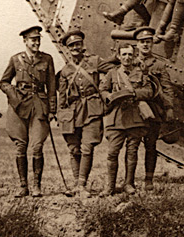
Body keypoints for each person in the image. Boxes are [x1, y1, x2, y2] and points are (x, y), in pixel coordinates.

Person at [0, 26, 57, 198]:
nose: (36, 42)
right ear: (25, 41)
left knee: (37, 145)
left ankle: (36, 185)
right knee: (20, 146)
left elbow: (52, 86)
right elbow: (3, 82)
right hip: (19, 106)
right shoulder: (16, 59)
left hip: (39, 104)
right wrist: (13, 95)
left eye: (38, 39)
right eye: (33, 40)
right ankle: (23, 185)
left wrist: (52, 108)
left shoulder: (47, 59)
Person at [99, 42, 155, 196]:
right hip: (116, 118)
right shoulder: (113, 73)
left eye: (130, 54)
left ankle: (128, 184)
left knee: (132, 152)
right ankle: (109, 186)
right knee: (112, 152)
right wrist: (109, 97)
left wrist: (134, 94)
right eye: (124, 54)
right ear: (118, 56)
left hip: (135, 117)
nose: (127, 57)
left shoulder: (141, 73)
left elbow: (149, 91)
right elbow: (103, 89)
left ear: (134, 56)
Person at [56, 30, 104, 197]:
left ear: (83, 45)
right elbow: (62, 96)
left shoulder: (95, 61)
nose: (75, 48)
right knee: (74, 149)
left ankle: (82, 185)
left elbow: (112, 71)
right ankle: (76, 184)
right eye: (71, 46)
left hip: (92, 109)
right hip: (73, 112)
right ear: (68, 49)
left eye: (78, 44)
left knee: (87, 147)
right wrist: (60, 114)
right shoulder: (65, 71)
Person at [134, 27, 176, 189]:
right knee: (133, 146)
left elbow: (167, 88)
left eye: (148, 42)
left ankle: (149, 180)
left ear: (152, 44)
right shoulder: (130, 61)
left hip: (154, 109)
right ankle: (129, 180)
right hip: (135, 110)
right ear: (137, 44)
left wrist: (169, 107)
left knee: (151, 146)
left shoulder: (159, 65)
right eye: (142, 42)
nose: (145, 45)